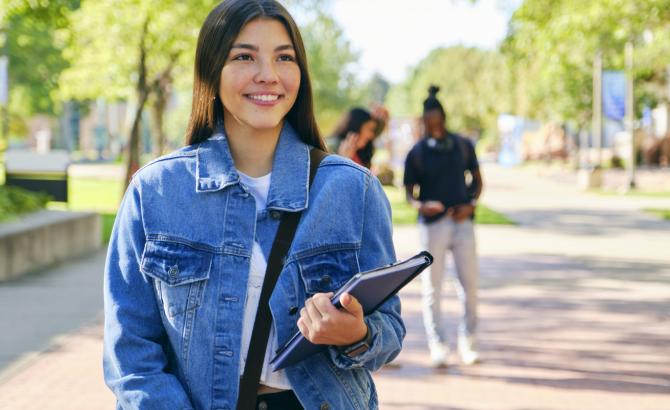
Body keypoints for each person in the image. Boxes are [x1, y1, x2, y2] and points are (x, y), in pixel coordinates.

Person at [103, 1, 404, 409]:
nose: (268, 75)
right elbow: (132, 354)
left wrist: (356, 334)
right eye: (244, 56)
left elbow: (389, 329)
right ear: (212, 69)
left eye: (284, 57)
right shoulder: (155, 192)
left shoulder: (354, 190)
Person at [403, 85, 483, 368]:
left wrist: (471, 204)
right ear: (424, 121)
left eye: (438, 119)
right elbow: (409, 195)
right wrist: (422, 206)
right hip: (432, 226)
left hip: (462, 224)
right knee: (432, 289)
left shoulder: (463, 145)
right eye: (429, 120)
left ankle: (468, 341)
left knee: (469, 286)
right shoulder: (417, 153)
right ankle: (438, 345)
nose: (434, 124)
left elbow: (477, 179)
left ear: (444, 118)